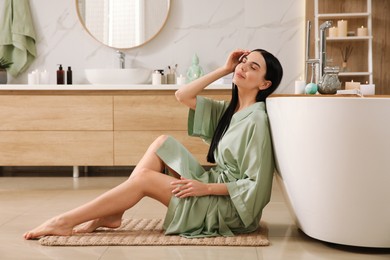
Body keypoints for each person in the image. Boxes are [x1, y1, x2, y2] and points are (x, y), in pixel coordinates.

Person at [24, 48, 283, 240]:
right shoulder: (231, 110)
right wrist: (224, 69)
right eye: (244, 62)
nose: (244, 67)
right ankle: (111, 214)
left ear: (265, 84)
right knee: (162, 142)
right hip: (212, 187)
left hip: (230, 210)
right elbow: (182, 95)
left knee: (144, 180)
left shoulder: (256, 121)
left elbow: (255, 185)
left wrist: (205, 188)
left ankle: (64, 221)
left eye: (253, 68)